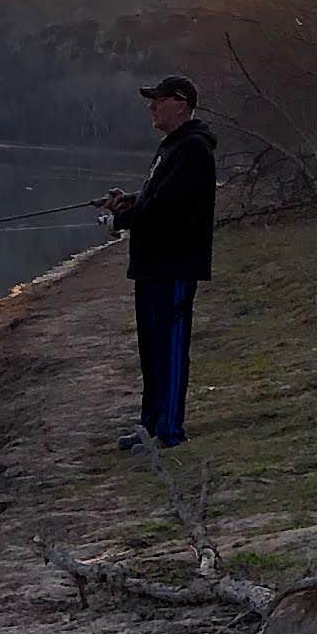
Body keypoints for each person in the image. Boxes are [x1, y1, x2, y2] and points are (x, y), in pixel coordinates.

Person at [102, 74, 216, 450]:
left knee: (169, 349)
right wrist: (128, 202)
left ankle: (169, 433)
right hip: (152, 266)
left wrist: (124, 218)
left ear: (180, 104)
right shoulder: (173, 148)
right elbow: (155, 197)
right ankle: (149, 426)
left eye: (158, 100)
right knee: (151, 350)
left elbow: (168, 208)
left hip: (175, 267)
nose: (151, 107)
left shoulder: (194, 149)